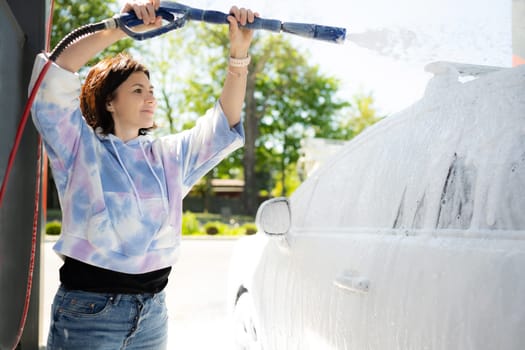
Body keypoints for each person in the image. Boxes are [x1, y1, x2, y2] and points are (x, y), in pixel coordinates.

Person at [30, 0, 258, 348]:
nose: (150, 97)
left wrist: (238, 54)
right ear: (109, 101)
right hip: (89, 313)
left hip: (152, 313)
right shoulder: (79, 146)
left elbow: (223, 125)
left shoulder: (167, 156)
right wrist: (122, 27)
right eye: (138, 90)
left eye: (151, 90)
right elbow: (55, 76)